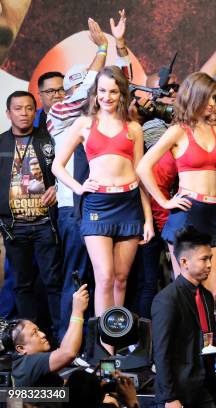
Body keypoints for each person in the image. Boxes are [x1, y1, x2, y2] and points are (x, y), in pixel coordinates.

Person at [52, 66, 154, 335]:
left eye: (113, 91)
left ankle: (116, 342)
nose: (107, 97)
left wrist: (149, 219)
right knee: (105, 277)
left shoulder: (133, 128)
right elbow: (57, 166)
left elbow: (141, 174)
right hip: (97, 207)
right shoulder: (85, 123)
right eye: (102, 91)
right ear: (95, 93)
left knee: (121, 279)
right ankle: (105, 347)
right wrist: (80, 188)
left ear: (122, 94)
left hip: (129, 206)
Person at [137, 72, 216, 302]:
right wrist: (165, 201)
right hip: (187, 213)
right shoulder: (178, 130)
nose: (212, 103)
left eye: (215, 97)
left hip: (212, 215)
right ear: (195, 97)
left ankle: (206, 339)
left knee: (214, 293)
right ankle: (190, 340)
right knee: (189, 295)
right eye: (208, 97)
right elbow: (143, 167)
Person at [0, 90, 62, 340]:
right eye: (18, 108)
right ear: (8, 113)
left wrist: (56, 188)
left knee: (53, 283)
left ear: (34, 112)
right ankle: (29, 339)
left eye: (28, 108)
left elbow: (64, 173)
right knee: (21, 284)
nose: (23, 113)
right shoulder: (1, 143)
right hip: (13, 227)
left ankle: (60, 338)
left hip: (46, 224)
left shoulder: (49, 140)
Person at [151, 226, 216, 408]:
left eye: (210, 258)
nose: (210, 264)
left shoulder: (206, 296)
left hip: (204, 389)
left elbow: (200, 339)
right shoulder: (166, 299)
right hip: (179, 393)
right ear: (184, 262)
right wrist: (169, 398)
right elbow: (161, 352)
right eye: (204, 259)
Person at [1, 284, 88, 387]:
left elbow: (59, 389)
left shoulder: (23, 364)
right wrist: (78, 311)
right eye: (35, 333)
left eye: (39, 330)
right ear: (21, 348)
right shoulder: (26, 364)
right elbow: (67, 353)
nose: (43, 334)